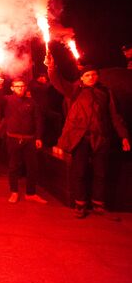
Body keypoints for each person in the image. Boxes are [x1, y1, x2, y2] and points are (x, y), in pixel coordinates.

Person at [45, 54, 130, 218]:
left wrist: (124, 136)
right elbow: (58, 82)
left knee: (100, 173)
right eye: (88, 75)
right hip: (81, 138)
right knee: (80, 172)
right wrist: (51, 67)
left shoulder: (106, 92)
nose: (92, 77)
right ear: (82, 78)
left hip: (101, 138)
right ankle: (80, 204)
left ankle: (98, 204)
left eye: (94, 74)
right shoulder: (74, 91)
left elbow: (115, 116)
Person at [0, 76, 46, 204]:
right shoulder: (7, 100)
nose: (21, 88)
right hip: (13, 138)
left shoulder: (31, 102)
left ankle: (30, 193)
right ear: (12, 88)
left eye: (23, 86)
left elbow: (38, 120)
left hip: (29, 140)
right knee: (13, 167)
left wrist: (39, 137)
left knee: (32, 167)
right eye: (18, 86)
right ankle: (14, 192)